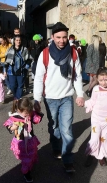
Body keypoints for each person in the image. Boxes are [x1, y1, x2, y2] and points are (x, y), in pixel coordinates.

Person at [33, 22, 84, 173]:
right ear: (52, 37)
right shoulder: (46, 53)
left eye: (64, 37)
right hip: (50, 99)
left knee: (67, 130)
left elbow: (77, 75)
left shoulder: (73, 52)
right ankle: (56, 148)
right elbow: (38, 77)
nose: (62, 40)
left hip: (67, 97)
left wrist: (80, 94)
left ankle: (68, 161)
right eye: (58, 37)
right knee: (54, 128)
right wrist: (37, 99)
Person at [3, 98, 42, 183]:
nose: (28, 116)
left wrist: (37, 112)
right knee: (26, 159)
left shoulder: (30, 114)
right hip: (21, 142)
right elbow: (8, 125)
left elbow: (36, 120)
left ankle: (28, 166)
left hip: (30, 140)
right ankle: (26, 173)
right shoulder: (14, 117)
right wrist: (12, 127)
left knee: (31, 155)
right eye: (25, 114)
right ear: (19, 110)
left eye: (29, 113)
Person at [5, 35, 32, 100]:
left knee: (20, 86)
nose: (18, 41)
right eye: (17, 40)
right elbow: (6, 61)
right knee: (12, 86)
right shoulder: (10, 49)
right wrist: (4, 70)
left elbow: (29, 59)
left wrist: (26, 67)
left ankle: (18, 98)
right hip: (11, 71)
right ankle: (16, 96)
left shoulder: (24, 49)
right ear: (14, 41)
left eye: (19, 40)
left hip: (22, 71)